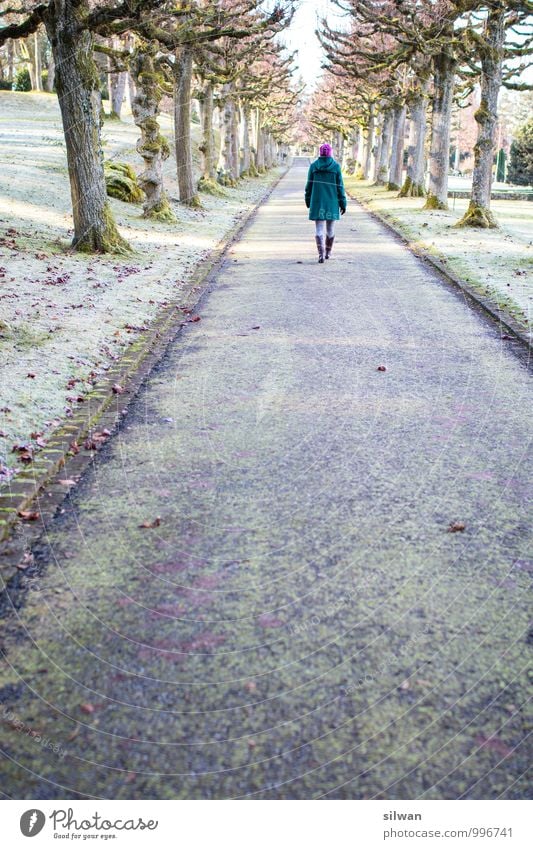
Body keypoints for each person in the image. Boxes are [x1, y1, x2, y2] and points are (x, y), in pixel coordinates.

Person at [305, 142, 347, 263]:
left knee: (319, 229)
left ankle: (321, 254)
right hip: (332, 203)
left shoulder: (313, 166)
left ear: (320, 153)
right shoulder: (336, 167)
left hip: (317, 202)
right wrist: (343, 203)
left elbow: (309, 186)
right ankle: (328, 252)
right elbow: (340, 187)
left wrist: (308, 201)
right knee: (330, 229)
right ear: (330, 153)